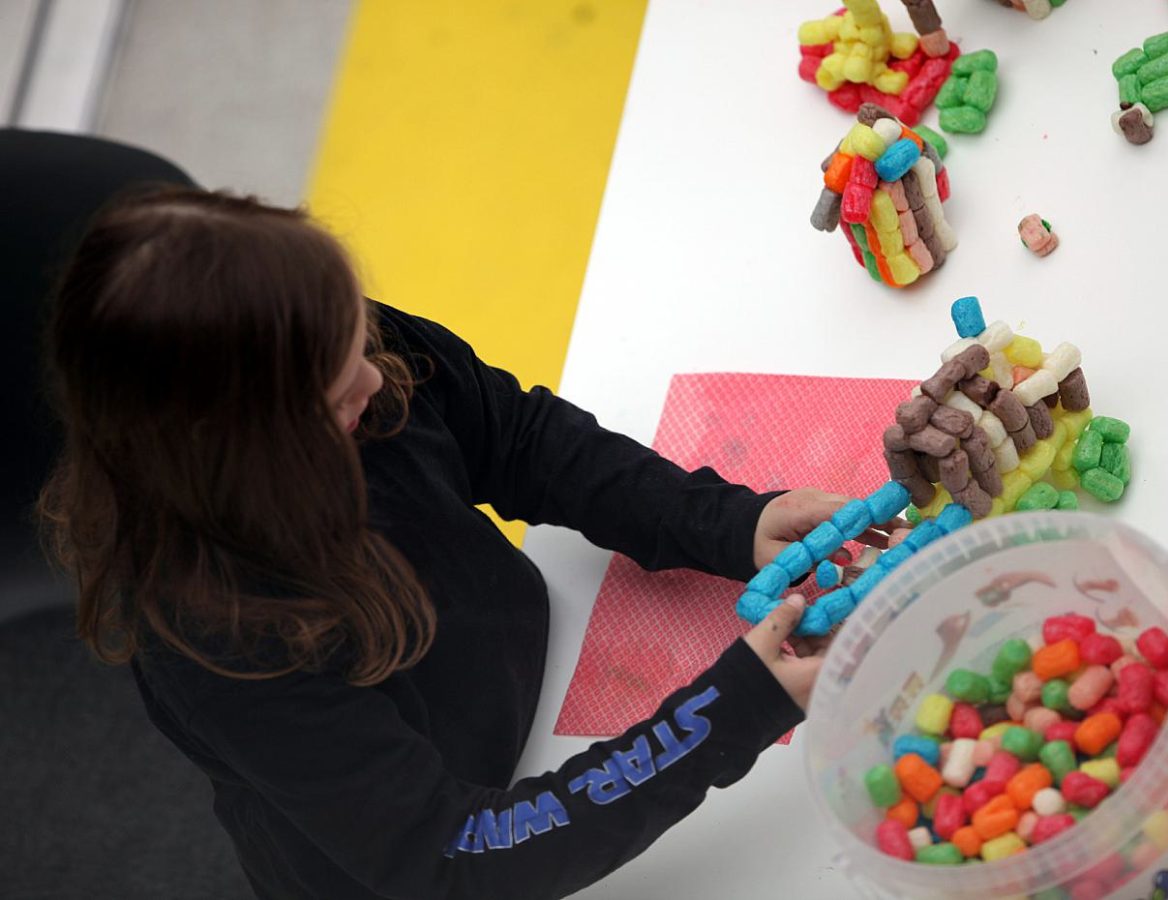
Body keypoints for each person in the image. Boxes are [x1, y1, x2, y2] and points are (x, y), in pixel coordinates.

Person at [39, 189, 900, 900]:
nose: (378, 383)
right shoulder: (220, 643)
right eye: (340, 396)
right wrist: (732, 710)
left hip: (530, 686)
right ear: (251, 456)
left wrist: (722, 520)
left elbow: (516, 437)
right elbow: (451, 853)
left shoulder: (338, 347)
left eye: (360, 346)